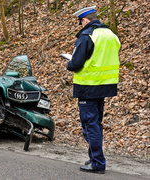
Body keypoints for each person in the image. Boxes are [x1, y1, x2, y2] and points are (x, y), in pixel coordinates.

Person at [66, 5, 121, 174]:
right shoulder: (111, 35)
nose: (81, 25)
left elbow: (75, 63)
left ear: (85, 20)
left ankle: (97, 163)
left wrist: (69, 62)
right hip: (105, 86)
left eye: (80, 22)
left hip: (88, 86)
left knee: (90, 125)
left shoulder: (87, 35)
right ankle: (94, 159)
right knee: (96, 124)